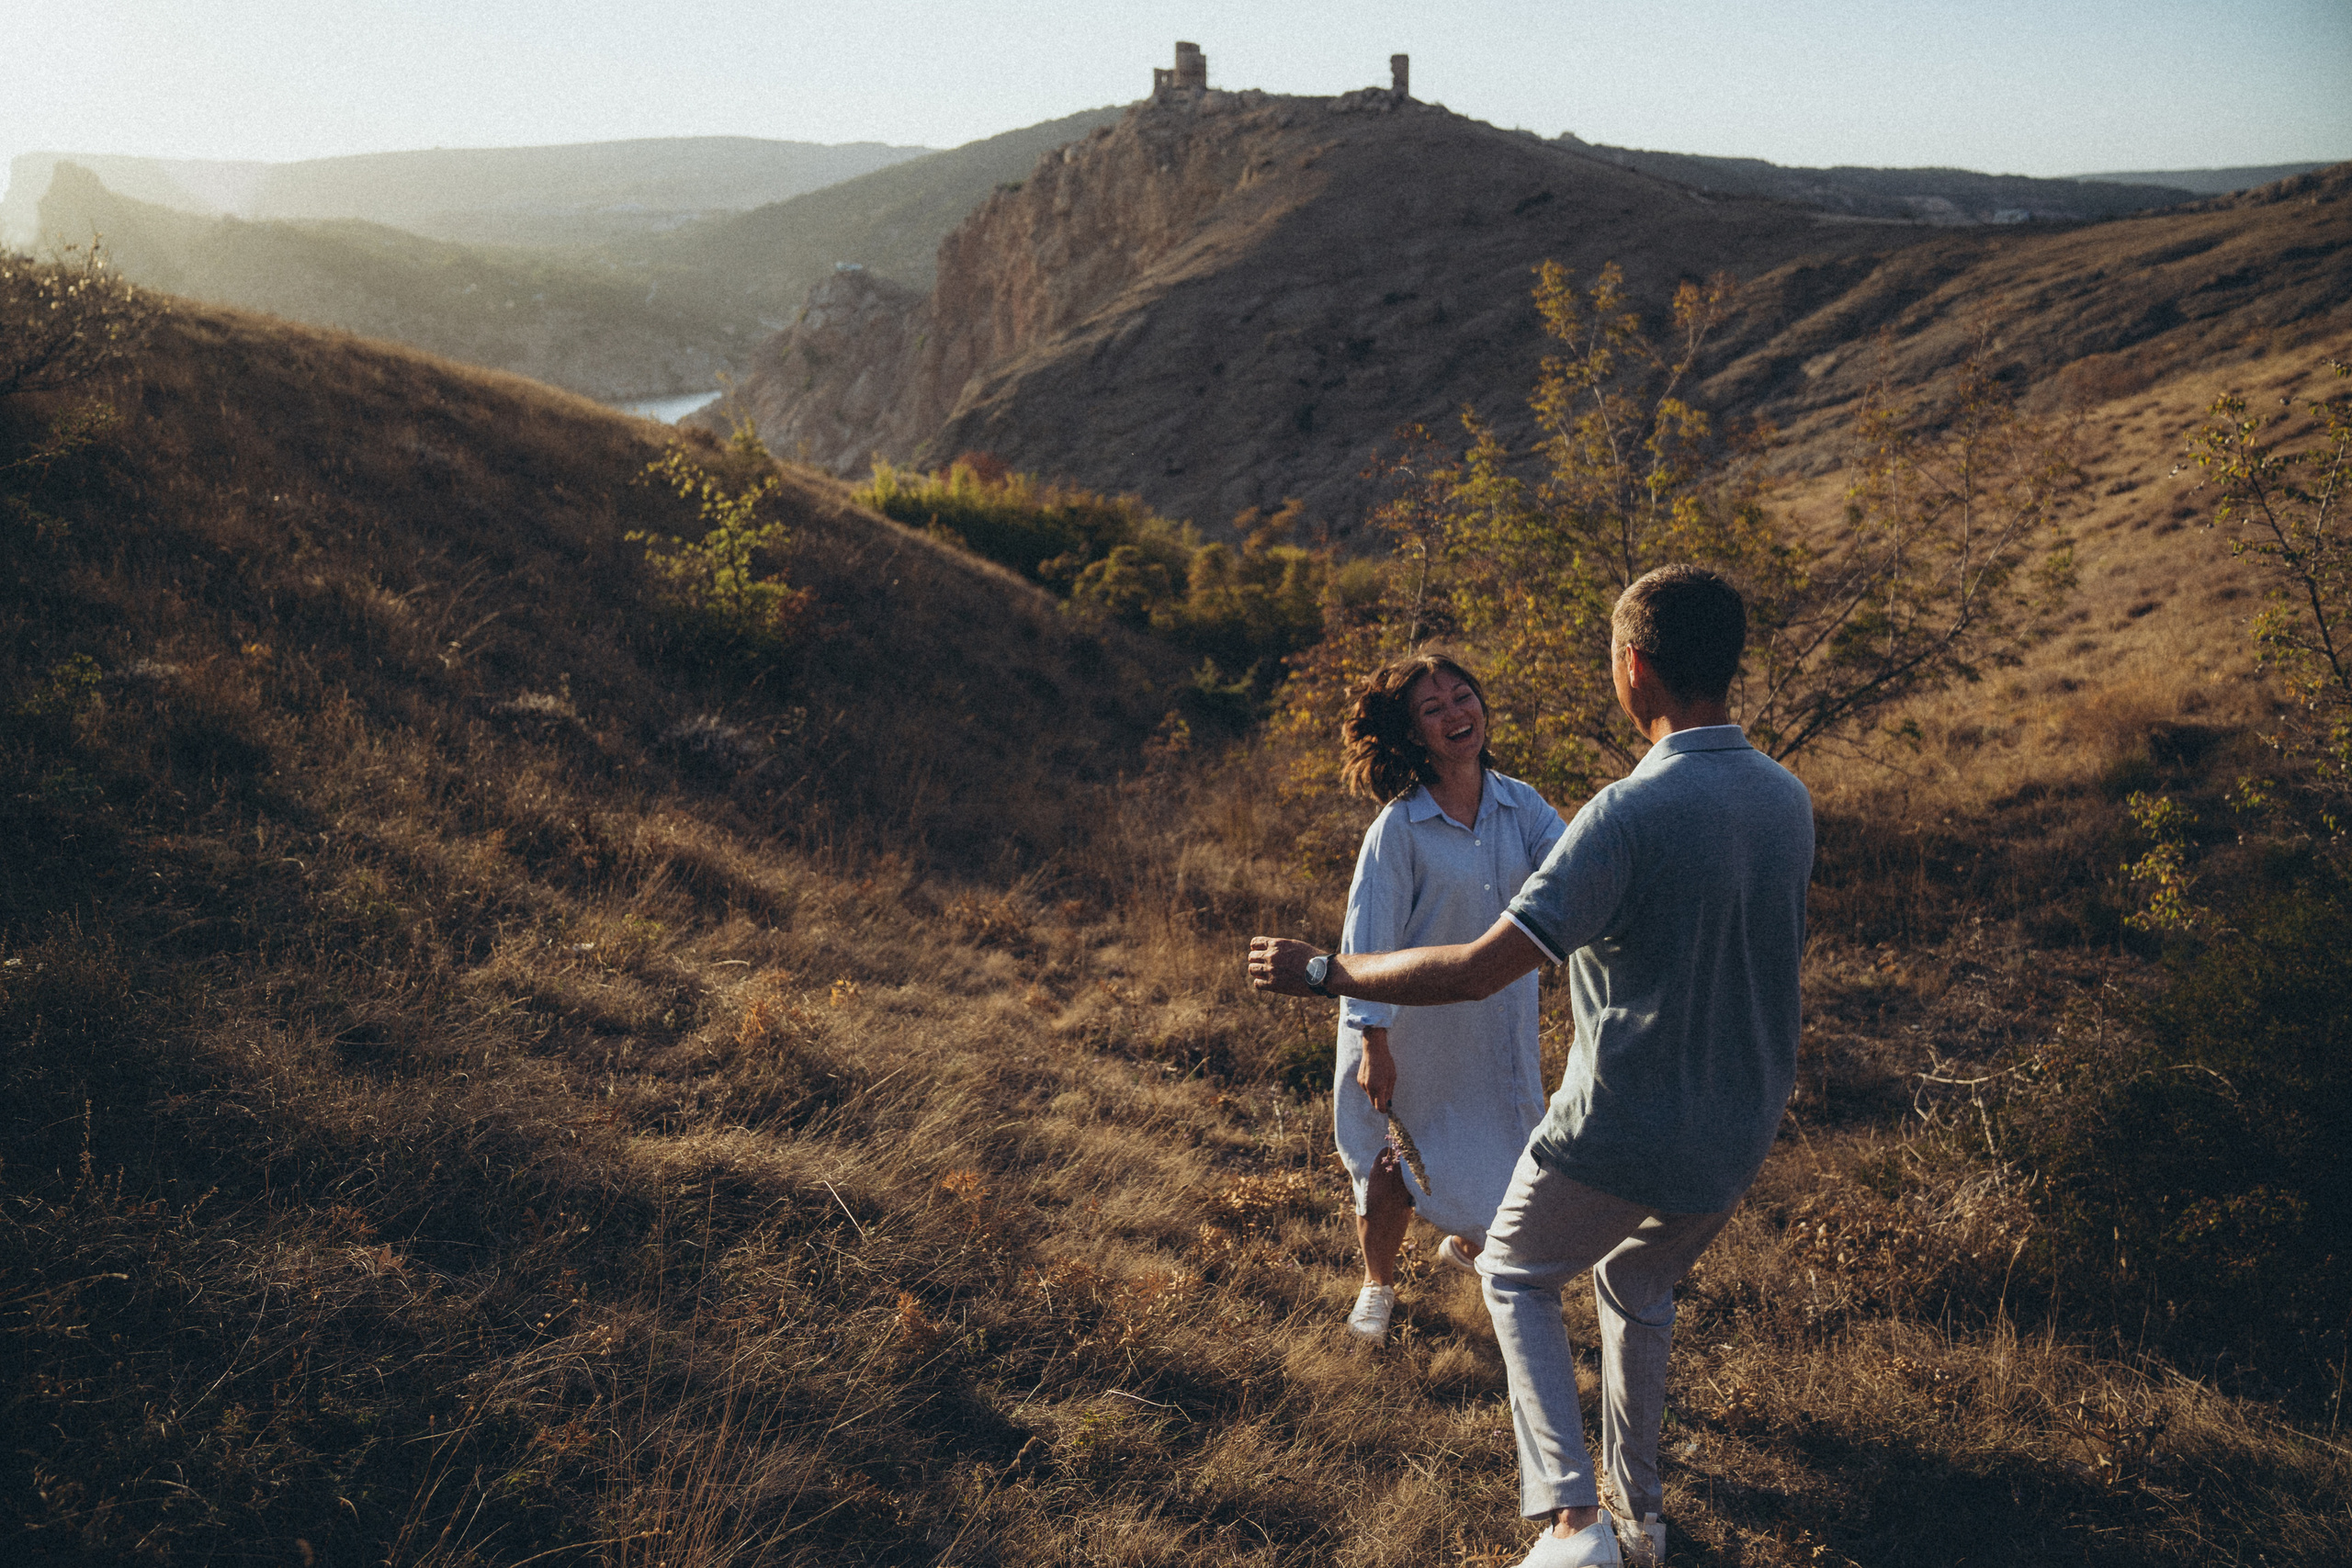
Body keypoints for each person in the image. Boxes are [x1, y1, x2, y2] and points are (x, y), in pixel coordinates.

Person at [1250, 565, 1814, 1568]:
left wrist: (1324, 972)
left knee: (1510, 1271)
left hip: (1621, 1123)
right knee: (1635, 1284)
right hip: (1738, 1129)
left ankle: (1574, 1525)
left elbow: (1479, 968)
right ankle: (1641, 1522)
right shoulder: (1787, 798)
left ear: (1632, 668)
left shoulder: (1622, 812)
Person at [1328, 652, 1566, 1346]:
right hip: (1405, 1028)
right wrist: (1374, 1042)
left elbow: (1572, 876)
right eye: (1433, 709)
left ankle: (1467, 1245)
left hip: (1493, 1022)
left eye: (1462, 696)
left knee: (1508, 1150)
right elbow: (1366, 942)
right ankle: (1377, 1284)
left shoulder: (1522, 806)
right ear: (1413, 733)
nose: (1456, 714)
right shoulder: (1399, 829)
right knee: (1393, 1162)